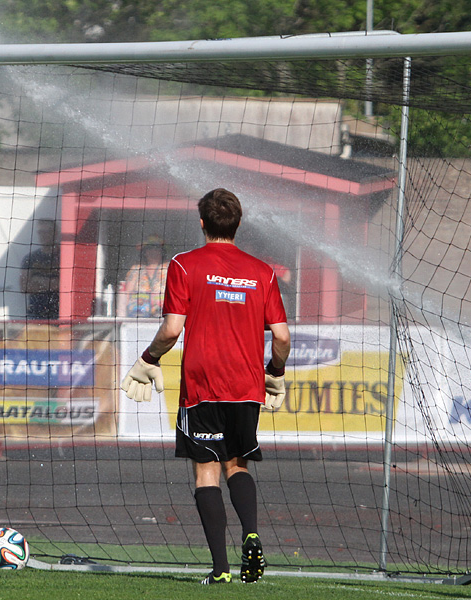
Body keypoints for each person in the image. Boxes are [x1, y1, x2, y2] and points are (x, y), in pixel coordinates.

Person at [121, 188, 291, 585]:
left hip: (202, 383)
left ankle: (222, 570)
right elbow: (282, 337)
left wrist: (148, 359)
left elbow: (172, 328)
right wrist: (275, 372)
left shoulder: (184, 264)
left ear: (201, 223)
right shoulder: (262, 272)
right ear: (237, 223)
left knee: (205, 472)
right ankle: (251, 533)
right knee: (238, 464)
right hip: (247, 385)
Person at [19, 219, 59, 319]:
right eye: (40, 232)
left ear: (55, 233)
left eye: (46, 232)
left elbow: (64, 285)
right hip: (36, 314)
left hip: (58, 314)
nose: (43, 235)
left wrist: (38, 280)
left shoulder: (64, 257)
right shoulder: (30, 258)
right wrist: (52, 283)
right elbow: (24, 287)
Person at [122, 235, 168, 318]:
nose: (153, 251)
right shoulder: (136, 269)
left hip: (162, 314)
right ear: (145, 252)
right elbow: (126, 294)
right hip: (137, 314)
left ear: (162, 251)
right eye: (150, 249)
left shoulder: (170, 268)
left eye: (157, 249)